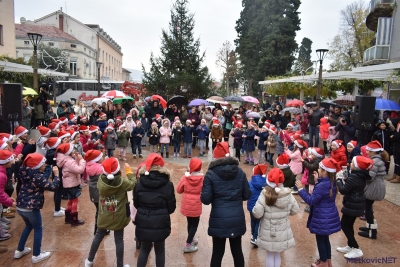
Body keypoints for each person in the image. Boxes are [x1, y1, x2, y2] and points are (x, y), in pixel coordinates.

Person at [201, 142, 252, 267]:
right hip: (236, 218)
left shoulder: (211, 173)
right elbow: (247, 195)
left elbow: (206, 199)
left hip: (218, 219)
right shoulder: (240, 172)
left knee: (217, 253)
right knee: (237, 251)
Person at [85, 158, 136, 267]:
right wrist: (129, 172)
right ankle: (120, 265)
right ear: (118, 170)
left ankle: (89, 261)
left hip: (104, 215)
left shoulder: (100, 180)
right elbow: (132, 184)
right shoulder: (122, 182)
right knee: (119, 240)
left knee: (98, 236)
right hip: (118, 216)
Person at [295, 158, 341, 267]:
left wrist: (301, 189)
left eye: (320, 168)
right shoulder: (331, 182)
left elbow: (311, 200)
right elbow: (322, 193)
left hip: (322, 217)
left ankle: (323, 262)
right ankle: (328, 261)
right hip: (328, 215)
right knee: (325, 239)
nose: (318, 170)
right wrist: (317, 180)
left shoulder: (322, 186)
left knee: (320, 240)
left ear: (325, 172)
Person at [15, 153, 59, 263]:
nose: (44, 165)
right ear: (37, 165)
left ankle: (20, 250)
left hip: (21, 206)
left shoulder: (24, 172)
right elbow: (53, 187)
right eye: (42, 163)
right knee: (38, 228)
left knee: (28, 226)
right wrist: (56, 175)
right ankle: (36, 254)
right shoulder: (37, 176)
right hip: (31, 207)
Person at [135, 154, 176, 267]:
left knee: (144, 249)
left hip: (143, 221)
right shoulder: (168, 185)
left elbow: (136, 204)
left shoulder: (139, 183)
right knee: (160, 249)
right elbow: (171, 208)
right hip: (160, 221)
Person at [252, 168, 299, 267]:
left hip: (268, 230)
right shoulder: (287, 194)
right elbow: (295, 210)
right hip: (283, 229)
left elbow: (257, 213)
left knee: (269, 254)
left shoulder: (265, 194)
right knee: (277, 253)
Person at [336, 156, 374, 259]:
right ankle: (350, 245)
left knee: (344, 224)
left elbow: (343, 190)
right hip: (356, 202)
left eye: (352, 163)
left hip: (353, 204)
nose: (350, 164)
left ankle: (356, 248)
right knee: (349, 224)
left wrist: (338, 180)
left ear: (357, 167)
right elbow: (351, 186)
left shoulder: (355, 176)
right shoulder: (359, 175)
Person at [358, 141, 386, 239]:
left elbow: (370, 177)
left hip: (374, 186)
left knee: (368, 208)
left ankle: (372, 232)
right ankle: (369, 227)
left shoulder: (375, 162)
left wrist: (360, 174)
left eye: (368, 151)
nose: (367, 152)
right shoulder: (376, 160)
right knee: (368, 208)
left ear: (373, 152)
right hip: (375, 185)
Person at [176, 158, 204, 253]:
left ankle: (191, 239)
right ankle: (188, 244)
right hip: (196, 204)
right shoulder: (202, 179)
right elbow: (205, 190)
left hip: (187, 204)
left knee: (190, 223)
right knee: (194, 225)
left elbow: (179, 190)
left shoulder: (185, 178)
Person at [56, 143, 86, 226]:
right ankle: (74, 219)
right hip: (72, 183)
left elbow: (73, 166)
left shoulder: (65, 159)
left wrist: (76, 158)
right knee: (74, 201)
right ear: (68, 152)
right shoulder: (69, 161)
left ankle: (68, 217)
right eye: (72, 149)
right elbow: (79, 170)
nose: (74, 150)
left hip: (68, 183)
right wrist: (81, 160)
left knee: (70, 200)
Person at [247, 164, 267, 247]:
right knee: (259, 221)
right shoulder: (266, 183)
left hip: (251, 206)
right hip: (261, 206)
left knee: (253, 221)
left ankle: (253, 235)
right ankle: (255, 237)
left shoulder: (250, 182)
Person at [0, 150, 16, 251]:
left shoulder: (2, 172)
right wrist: (10, 203)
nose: (13, 162)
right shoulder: (1, 175)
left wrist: (8, 197)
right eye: (11, 160)